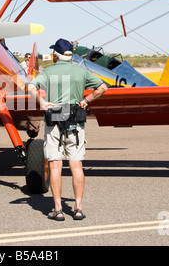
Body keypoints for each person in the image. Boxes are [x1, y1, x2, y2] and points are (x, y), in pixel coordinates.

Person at [28, 38, 108, 221]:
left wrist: (41, 102)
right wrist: (87, 100)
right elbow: (103, 87)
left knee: (56, 164)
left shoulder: (48, 72)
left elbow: (31, 86)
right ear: (70, 55)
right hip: (75, 120)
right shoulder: (81, 71)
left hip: (54, 118)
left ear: (56, 55)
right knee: (76, 164)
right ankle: (78, 208)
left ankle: (58, 210)